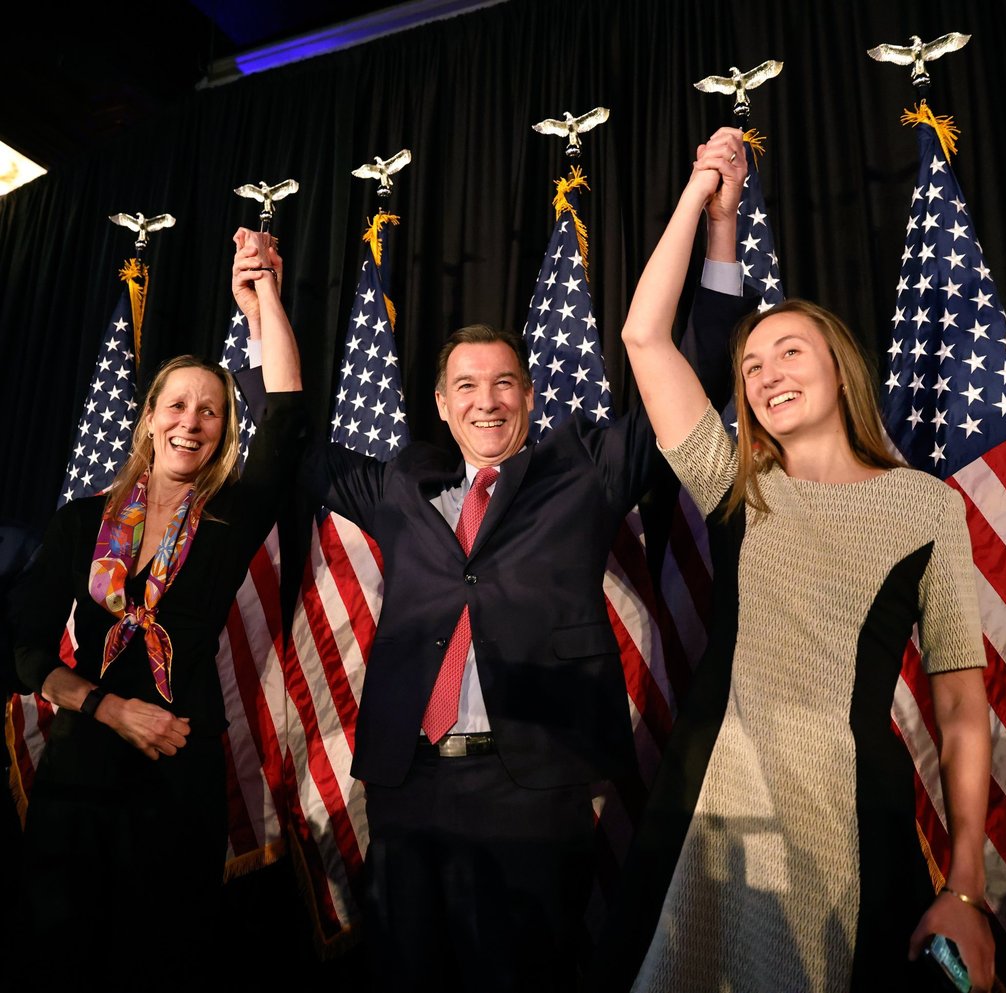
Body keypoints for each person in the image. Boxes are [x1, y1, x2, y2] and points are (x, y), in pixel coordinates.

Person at [272, 129, 750, 992]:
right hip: (408, 784)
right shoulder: (399, 487)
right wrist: (264, 303)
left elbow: (704, 362)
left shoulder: (590, 465)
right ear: (441, 404)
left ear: (529, 396)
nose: (486, 400)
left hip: (535, 783)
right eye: (466, 386)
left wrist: (719, 225)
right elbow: (294, 442)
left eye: (503, 384)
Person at [612, 140, 996, 991]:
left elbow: (963, 698)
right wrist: (703, 191)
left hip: (854, 821)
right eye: (750, 365)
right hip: (709, 809)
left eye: (789, 351)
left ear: (839, 365)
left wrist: (966, 881)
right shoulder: (734, 483)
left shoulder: (926, 503)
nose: (765, 374)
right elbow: (644, 335)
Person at [13, 228, 304, 991]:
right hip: (78, 775)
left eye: (211, 411)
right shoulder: (82, 521)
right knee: (57, 957)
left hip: (180, 776)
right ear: (148, 417)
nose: (192, 421)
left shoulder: (229, 518)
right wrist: (110, 709)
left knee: (160, 962)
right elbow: (23, 649)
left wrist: (263, 293)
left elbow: (287, 418)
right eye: (177, 404)